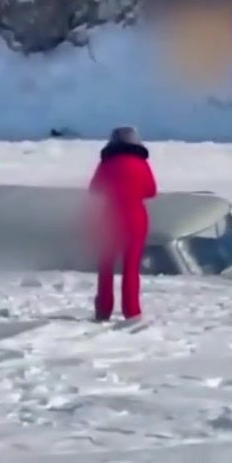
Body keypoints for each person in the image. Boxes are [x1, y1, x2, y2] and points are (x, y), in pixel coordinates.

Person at [89, 126, 157, 321]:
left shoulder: (106, 163)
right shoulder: (142, 164)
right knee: (131, 267)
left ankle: (104, 308)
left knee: (106, 265)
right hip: (135, 218)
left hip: (109, 217)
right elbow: (151, 190)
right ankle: (131, 310)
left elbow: (94, 189)